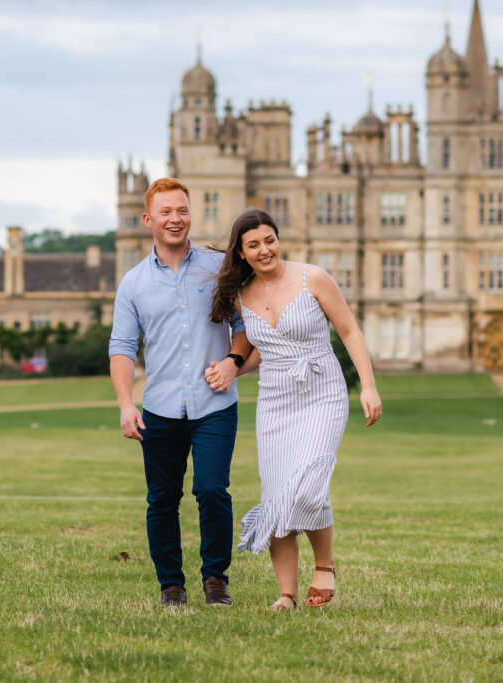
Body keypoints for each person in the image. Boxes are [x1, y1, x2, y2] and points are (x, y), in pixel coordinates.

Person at [206, 207, 382, 611]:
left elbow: (350, 331)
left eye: (270, 240)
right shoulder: (241, 294)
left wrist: (368, 386)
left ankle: (325, 565)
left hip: (322, 391)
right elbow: (260, 353)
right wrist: (230, 369)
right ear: (242, 252)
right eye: (254, 245)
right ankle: (286, 594)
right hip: (275, 401)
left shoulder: (312, 277)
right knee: (278, 495)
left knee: (308, 484)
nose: (265, 249)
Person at [109, 178, 252, 608]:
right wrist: (125, 403)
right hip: (160, 409)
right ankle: (171, 584)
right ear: (148, 219)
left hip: (215, 407)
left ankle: (216, 580)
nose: (176, 219)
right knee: (162, 500)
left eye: (182, 210)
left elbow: (245, 331)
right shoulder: (133, 284)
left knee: (212, 491)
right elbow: (121, 347)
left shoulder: (218, 267)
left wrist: (233, 362)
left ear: (191, 214)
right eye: (166, 212)